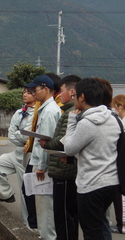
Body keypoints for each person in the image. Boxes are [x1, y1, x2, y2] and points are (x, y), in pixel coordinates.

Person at [64, 78, 120, 240]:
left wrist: (72, 121)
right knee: (101, 226)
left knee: (92, 231)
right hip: (111, 182)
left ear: (82, 97)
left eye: (74, 96)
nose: (74, 100)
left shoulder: (87, 123)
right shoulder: (112, 118)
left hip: (92, 184)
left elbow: (69, 149)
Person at [39, 75, 81, 240]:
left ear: (72, 92)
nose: (59, 95)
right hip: (65, 169)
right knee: (68, 216)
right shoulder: (69, 111)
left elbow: (65, 141)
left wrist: (46, 144)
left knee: (63, 216)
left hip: (65, 170)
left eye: (61, 91)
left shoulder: (72, 113)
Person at [0, 88, 36, 226]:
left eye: (28, 92)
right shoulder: (19, 112)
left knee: (25, 190)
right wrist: (19, 137)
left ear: (36, 95)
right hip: (17, 152)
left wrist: (19, 135)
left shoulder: (37, 114)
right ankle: (6, 194)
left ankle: (28, 224)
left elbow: (25, 134)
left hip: (28, 156)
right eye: (24, 92)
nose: (25, 94)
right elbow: (12, 135)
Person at [25, 75, 61, 240]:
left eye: (35, 90)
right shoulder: (48, 108)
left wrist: (41, 166)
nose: (33, 93)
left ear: (46, 89)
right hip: (43, 163)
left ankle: (48, 237)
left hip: (43, 166)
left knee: (44, 205)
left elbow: (46, 141)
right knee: (44, 205)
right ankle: (47, 235)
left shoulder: (48, 111)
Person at [111, 94, 125, 234]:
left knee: (120, 197)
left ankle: (121, 225)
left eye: (115, 106)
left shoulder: (122, 123)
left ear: (120, 106)